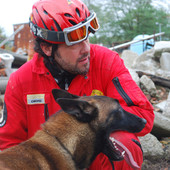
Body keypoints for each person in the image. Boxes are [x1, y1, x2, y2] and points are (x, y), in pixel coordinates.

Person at [0, 0, 154, 169]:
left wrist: (96, 123)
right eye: (74, 43)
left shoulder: (107, 62)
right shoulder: (21, 81)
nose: (86, 48)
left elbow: (143, 115)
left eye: (86, 37)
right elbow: (8, 145)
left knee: (122, 142)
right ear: (47, 48)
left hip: (97, 163)